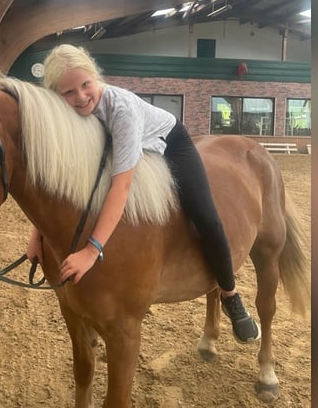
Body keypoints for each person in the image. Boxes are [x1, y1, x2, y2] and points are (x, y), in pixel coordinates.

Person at [26, 44, 260, 344]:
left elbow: (121, 187)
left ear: (96, 77)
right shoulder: (68, 116)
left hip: (170, 143)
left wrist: (91, 250)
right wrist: (37, 235)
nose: (81, 97)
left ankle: (230, 294)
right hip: (118, 145)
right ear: (57, 97)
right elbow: (63, 183)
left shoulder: (121, 111)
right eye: (69, 93)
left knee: (206, 216)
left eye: (86, 85)